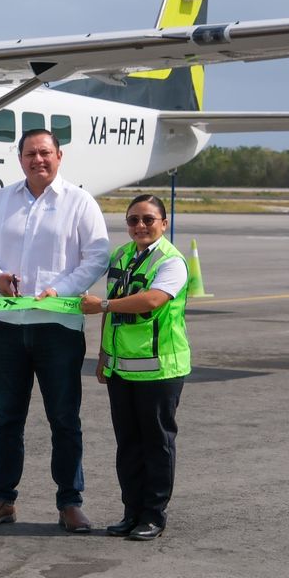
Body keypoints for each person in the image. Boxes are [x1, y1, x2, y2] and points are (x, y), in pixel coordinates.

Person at [0, 128, 110, 533]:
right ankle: (3, 498)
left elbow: (97, 257)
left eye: (45, 153)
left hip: (57, 328)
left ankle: (70, 501)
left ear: (59, 156)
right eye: (30, 154)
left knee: (64, 420)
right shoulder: (1, 201)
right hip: (8, 328)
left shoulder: (80, 203)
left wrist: (60, 290)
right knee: (6, 420)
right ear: (20, 159)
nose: (38, 160)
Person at [80, 194, 191, 541]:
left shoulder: (171, 261)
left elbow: (153, 299)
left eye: (148, 219)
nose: (140, 226)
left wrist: (104, 304)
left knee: (156, 443)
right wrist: (102, 355)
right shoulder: (123, 256)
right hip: (122, 369)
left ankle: (154, 514)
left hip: (160, 370)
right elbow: (111, 314)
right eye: (133, 220)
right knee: (127, 444)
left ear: (164, 223)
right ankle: (131, 511)